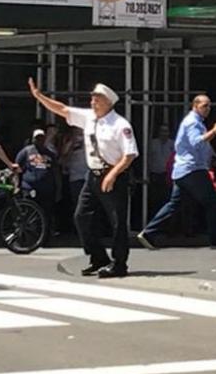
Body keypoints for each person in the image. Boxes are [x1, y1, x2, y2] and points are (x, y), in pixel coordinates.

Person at [29, 78, 138, 278]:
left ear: (108, 102)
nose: (92, 102)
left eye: (97, 99)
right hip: (92, 174)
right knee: (81, 216)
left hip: (114, 174)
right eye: (92, 99)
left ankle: (119, 263)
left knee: (117, 221)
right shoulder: (89, 117)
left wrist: (113, 174)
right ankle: (98, 258)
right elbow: (62, 109)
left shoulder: (120, 124)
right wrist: (39, 97)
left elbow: (129, 155)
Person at [139, 94, 216, 249]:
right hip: (193, 169)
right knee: (212, 202)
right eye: (204, 106)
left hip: (183, 170)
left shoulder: (195, 122)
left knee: (175, 204)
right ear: (195, 106)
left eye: (209, 106)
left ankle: (149, 232)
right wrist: (214, 131)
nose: (207, 109)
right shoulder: (193, 122)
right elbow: (196, 142)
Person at [15, 129, 59, 227]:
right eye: (37, 138)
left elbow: (56, 171)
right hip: (29, 187)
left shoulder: (50, 153)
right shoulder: (26, 151)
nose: (39, 140)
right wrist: (17, 185)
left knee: (46, 213)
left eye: (41, 138)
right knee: (29, 212)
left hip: (47, 189)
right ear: (33, 139)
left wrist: (58, 188)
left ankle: (45, 233)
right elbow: (17, 168)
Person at [58, 126, 89, 233]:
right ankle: (79, 230)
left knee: (90, 205)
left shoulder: (90, 140)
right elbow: (63, 157)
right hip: (75, 177)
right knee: (77, 204)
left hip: (87, 176)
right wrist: (71, 142)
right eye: (76, 131)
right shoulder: (69, 142)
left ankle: (90, 230)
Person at [147, 123, 174, 216]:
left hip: (167, 176)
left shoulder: (172, 144)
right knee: (154, 199)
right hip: (154, 175)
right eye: (162, 131)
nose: (164, 133)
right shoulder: (152, 143)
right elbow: (148, 159)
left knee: (166, 199)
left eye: (166, 131)